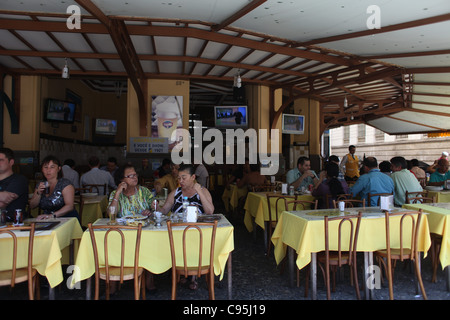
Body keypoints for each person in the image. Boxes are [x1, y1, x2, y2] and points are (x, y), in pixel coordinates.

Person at [30, 155, 78, 220]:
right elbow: (32, 206)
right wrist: (38, 193)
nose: (48, 170)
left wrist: (52, 215)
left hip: (66, 219)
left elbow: (70, 206)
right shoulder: (41, 184)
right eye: (45, 167)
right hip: (47, 219)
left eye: (52, 167)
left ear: (59, 169)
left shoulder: (65, 184)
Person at [0, 148, 29, 221]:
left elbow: (2, 204)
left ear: (11, 162)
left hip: (13, 225)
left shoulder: (19, 180)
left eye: (1, 160)